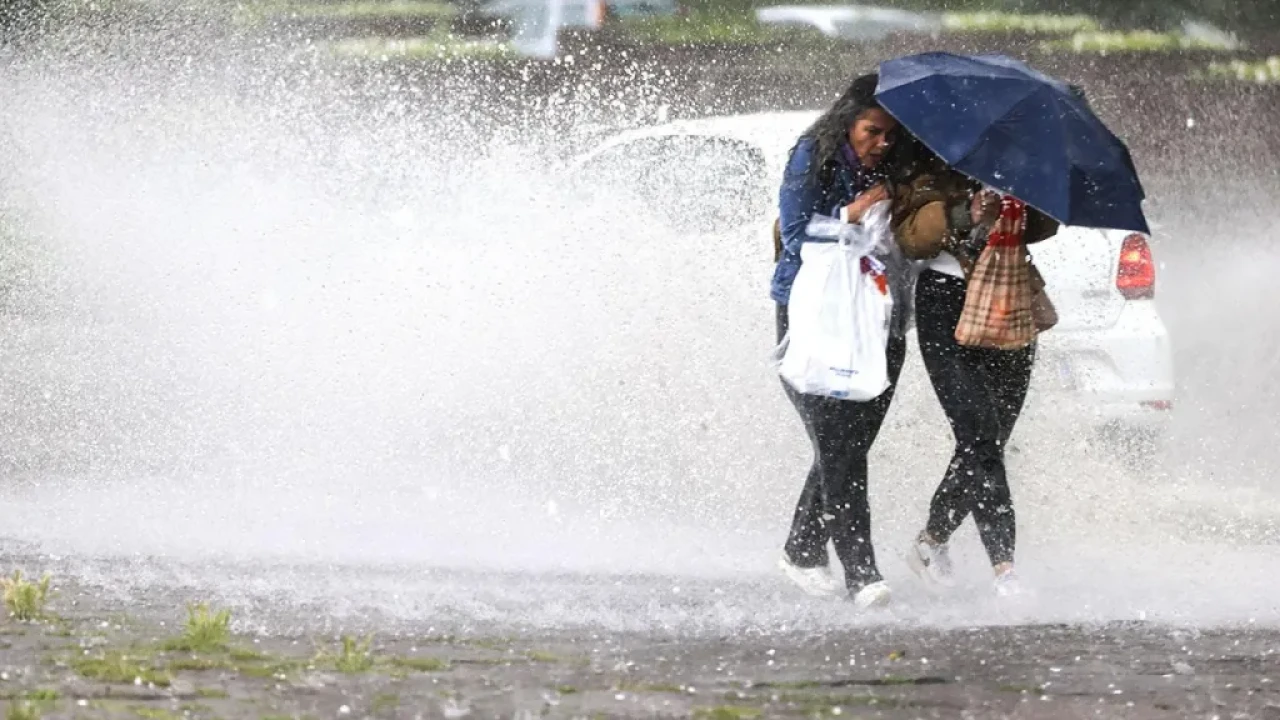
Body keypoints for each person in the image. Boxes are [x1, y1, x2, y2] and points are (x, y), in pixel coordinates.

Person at [771, 73, 916, 609]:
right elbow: (794, 231)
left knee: (850, 444)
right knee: (838, 443)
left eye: (891, 135)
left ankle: (802, 549)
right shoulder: (813, 155)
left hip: (881, 314)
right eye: (872, 131)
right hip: (816, 312)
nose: (881, 144)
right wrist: (852, 214)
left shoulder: (901, 168)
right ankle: (862, 572)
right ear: (848, 122)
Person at [890, 148, 1060, 596]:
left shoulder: (1018, 159)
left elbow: (1045, 227)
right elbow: (911, 238)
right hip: (944, 302)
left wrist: (1028, 197)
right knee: (980, 435)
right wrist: (967, 213)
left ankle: (930, 541)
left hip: (1009, 295)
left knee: (991, 440)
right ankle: (1005, 569)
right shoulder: (929, 155)